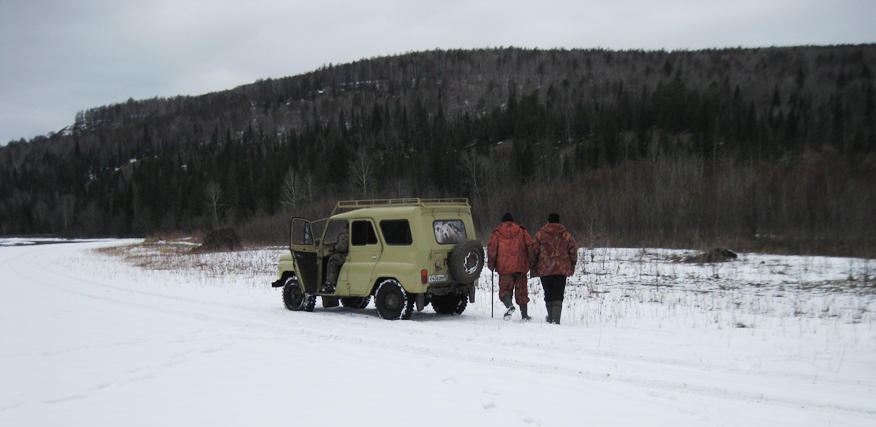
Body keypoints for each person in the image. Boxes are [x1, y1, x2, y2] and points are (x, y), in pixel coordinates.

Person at [531, 213, 578, 324]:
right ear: (559, 221)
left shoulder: (540, 235)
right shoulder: (566, 235)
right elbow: (573, 250)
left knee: (548, 292)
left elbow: (534, 251)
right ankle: (555, 319)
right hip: (561, 269)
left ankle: (551, 316)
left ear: (548, 221)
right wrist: (572, 264)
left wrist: (532, 265)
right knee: (558, 293)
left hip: (544, 269)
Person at [487, 212, 535, 320]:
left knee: (505, 290)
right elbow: (530, 246)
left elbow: (492, 251)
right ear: (513, 221)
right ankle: (524, 315)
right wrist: (531, 262)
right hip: (521, 267)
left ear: (502, 221)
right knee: (522, 292)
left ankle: (509, 306)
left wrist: (491, 265)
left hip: (504, 268)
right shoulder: (522, 231)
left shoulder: (497, 233)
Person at [323, 228, 348, 293]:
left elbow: (343, 246)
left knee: (332, 259)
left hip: (348, 256)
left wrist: (336, 247)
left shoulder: (350, 232)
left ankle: (331, 283)